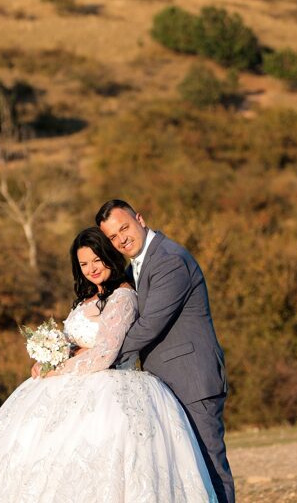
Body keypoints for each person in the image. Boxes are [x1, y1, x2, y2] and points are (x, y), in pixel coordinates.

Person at [0, 227, 217, 503]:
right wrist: (49, 357)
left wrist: (59, 369)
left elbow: (105, 353)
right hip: (75, 381)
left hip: (111, 388)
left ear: (109, 257)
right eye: (83, 264)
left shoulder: (123, 297)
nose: (91, 269)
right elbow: (76, 344)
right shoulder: (86, 298)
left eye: (97, 260)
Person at [97, 200, 235, 503]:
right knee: (186, 472)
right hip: (164, 384)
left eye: (124, 228)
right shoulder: (134, 267)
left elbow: (150, 324)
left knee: (210, 467)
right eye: (113, 237)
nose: (121, 239)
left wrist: (102, 356)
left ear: (140, 219)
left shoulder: (170, 260)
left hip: (192, 381)